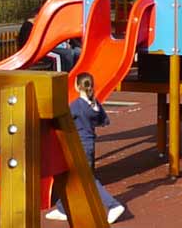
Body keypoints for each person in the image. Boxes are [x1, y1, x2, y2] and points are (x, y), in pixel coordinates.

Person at [46, 73, 125, 224]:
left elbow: (60, 121)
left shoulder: (76, 106)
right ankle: (62, 208)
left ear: (77, 86)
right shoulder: (95, 104)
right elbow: (104, 121)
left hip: (80, 146)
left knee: (87, 178)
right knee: (74, 177)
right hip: (90, 144)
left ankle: (113, 205)